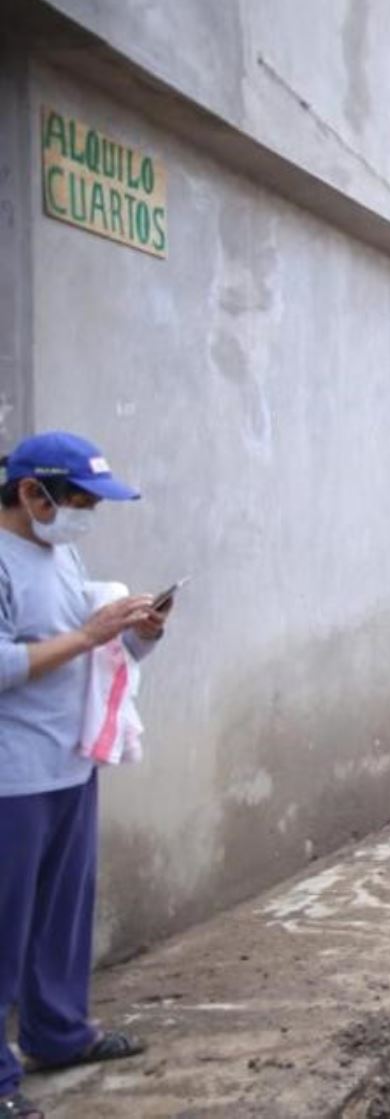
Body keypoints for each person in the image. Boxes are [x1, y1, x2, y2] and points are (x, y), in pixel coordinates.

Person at [0, 433, 165, 1119]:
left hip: (67, 764)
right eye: (77, 499)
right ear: (32, 493)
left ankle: (58, 1033)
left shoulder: (60, 551)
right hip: (12, 777)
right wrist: (93, 634)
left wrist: (139, 633)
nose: (86, 513)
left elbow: (84, 645)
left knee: (60, 916)